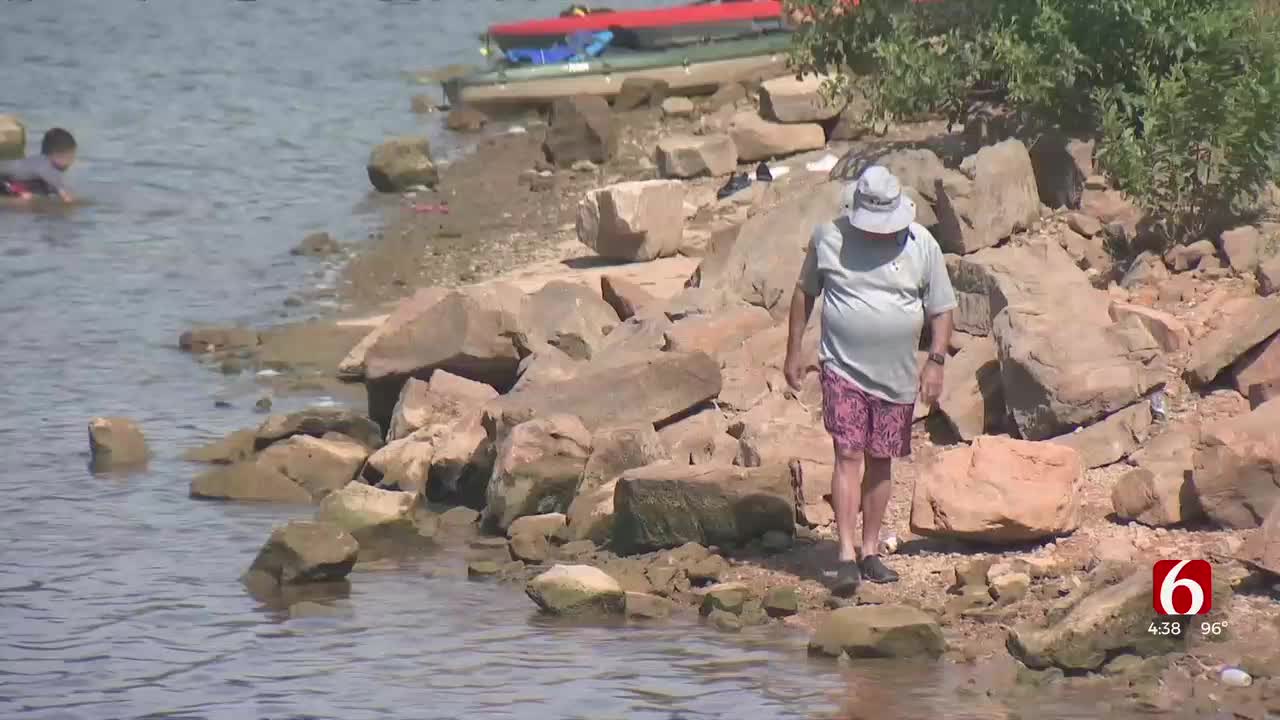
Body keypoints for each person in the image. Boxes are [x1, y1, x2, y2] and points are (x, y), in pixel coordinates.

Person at [783, 165, 956, 596]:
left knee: (881, 461)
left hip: (896, 375)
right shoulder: (828, 238)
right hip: (842, 367)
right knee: (847, 452)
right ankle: (844, 553)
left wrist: (935, 362)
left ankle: (871, 551)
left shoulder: (923, 245)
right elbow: (805, 293)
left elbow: (941, 309)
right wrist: (793, 350)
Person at [0, 127, 77, 203]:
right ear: (58, 155)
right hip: (3, 179)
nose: (71, 162)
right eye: (70, 157)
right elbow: (55, 181)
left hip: (9, 179)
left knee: (42, 191)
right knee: (26, 198)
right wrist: (65, 195)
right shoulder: (44, 164)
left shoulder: (39, 161)